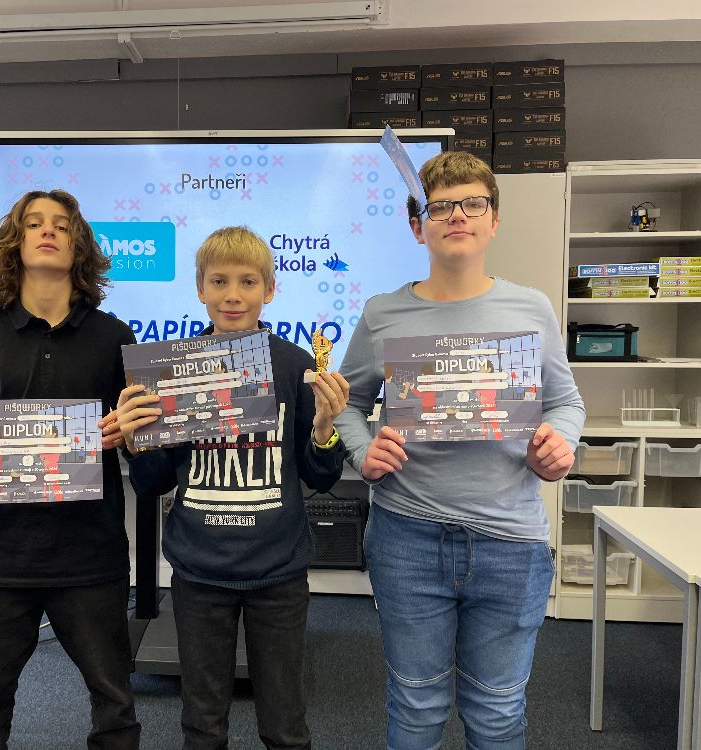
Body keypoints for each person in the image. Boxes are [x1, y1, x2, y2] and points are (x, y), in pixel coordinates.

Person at [334, 152, 585, 750]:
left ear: (494, 220)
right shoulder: (382, 313)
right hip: (407, 537)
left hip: (510, 543)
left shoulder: (531, 308)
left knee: (497, 712)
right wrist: (362, 453)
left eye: (473, 203)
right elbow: (347, 403)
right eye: (440, 206)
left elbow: (566, 402)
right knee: (416, 705)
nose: (456, 216)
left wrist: (560, 443)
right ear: (416, 225)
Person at [0, 189, 141, 750]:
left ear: (78, 246)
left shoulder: (114, 336)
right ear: (14, 243)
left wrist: (131, 433)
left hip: (91, 553)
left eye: (62, 225)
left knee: (115, 708)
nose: (49, 231)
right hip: (0, 554)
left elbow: (136, 439)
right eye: (36, 223)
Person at [115, 226, 350, 750]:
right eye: (219, 281)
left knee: (285, 724)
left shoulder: (294, 365)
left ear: (270, 290)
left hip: (278, 573)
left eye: (248, 282)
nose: (233, 295)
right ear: (200, 289)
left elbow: (322, 476)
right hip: (200, 572)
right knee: (202, 722)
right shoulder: (173, 371)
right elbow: (153, 484)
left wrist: (324, 429)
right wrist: (135, 443)